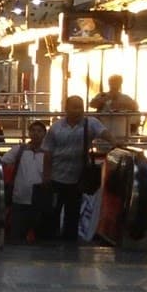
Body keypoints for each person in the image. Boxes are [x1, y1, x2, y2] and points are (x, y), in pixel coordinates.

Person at [40, 95, 106, 243]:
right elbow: (48, 153)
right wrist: (46, 176)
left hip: (78, 179)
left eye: (80, 107)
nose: (78, 111)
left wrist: (115, 142)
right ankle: (51, 241)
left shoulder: (91, 123)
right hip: (57, 177)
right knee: (53, 212)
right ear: (66, 109)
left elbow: (104, 133)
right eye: (74, 107)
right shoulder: (56, 128)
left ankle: (70, 242)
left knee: (73, 213)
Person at [3, 119, 50, 242]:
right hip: (19, 199)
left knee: (40, 237)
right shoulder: (19, 150)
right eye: (33, 130)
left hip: (39, 200)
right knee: (16, 236)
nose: (36, 133)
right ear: (29, 133)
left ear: (44, 134)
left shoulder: (48, 154)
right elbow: (3, 161)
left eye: (39, 131)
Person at [91, 74, 140, 143]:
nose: (114, 84)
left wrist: (121, 105)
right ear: (109, 83)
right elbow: (92, 104)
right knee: (103, 150)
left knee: (120, 150)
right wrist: (104, 99)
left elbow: (135, 107)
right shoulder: (102, 95)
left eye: (117, 82)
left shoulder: (126, 98)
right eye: (112, 82)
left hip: (120, 133)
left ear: (120, 84)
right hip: (105, 134)